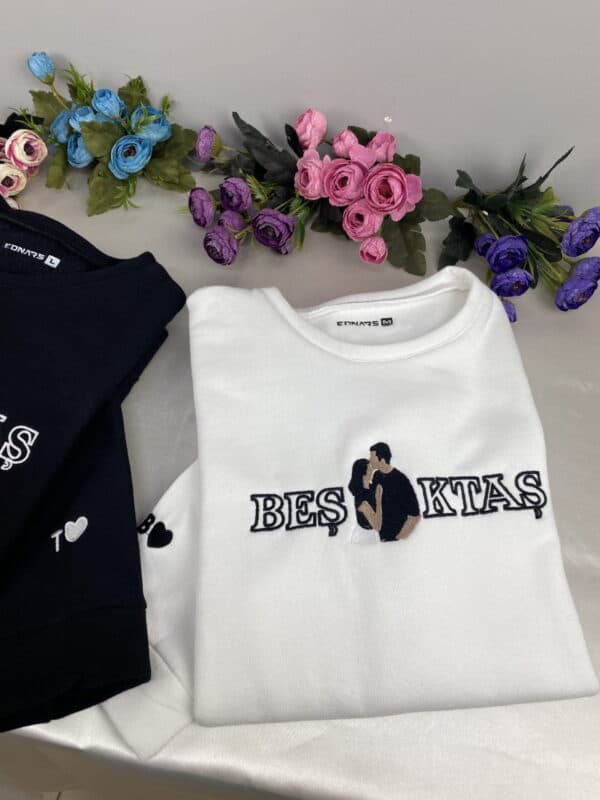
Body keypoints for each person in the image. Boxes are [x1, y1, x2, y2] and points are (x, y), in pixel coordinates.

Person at [359, 442, 421, 542]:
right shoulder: (377, 475)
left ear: (381, 459)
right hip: (381, 536)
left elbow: (415, 515)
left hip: (396, 539)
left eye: (372, 457)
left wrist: (400, 537)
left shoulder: (400, 480)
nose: (370, 460)